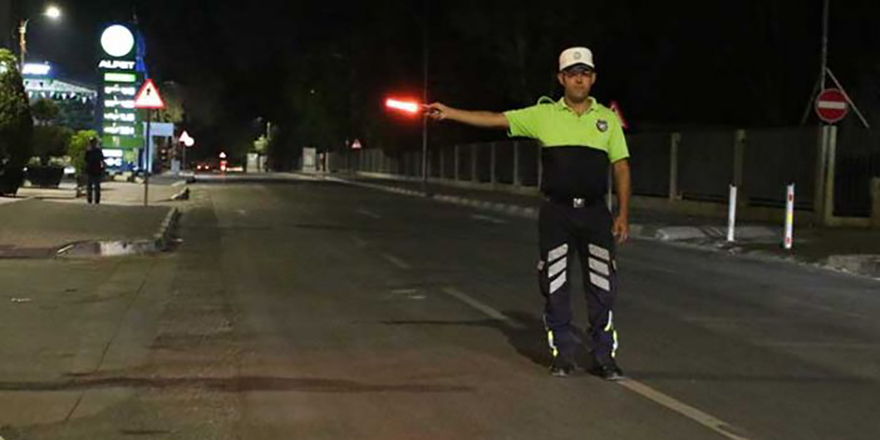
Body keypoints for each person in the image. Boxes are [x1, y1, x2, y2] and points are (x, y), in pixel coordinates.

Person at [427, 47, 631, 380]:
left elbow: (621, 167)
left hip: (596, 215)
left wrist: (623, 214)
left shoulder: (607, 120)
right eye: (572, 74)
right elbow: (496, 119)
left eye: (585, 73)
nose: (579, 80)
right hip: (557, 214)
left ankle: (604, 357)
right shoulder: (543, 115)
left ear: (593, 78)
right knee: (555, 283)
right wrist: (450, 113)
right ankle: (563, 355)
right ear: (561, 78)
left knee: (601, 286)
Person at [84, 137, 105, 204]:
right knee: (94, 186)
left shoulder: (91, 151)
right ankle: (94, 199)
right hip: (95, 170)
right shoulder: (95, 151)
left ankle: (92, 199)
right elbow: (102, 160)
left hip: (93, 170)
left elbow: (86, 160)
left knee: (92, 186)